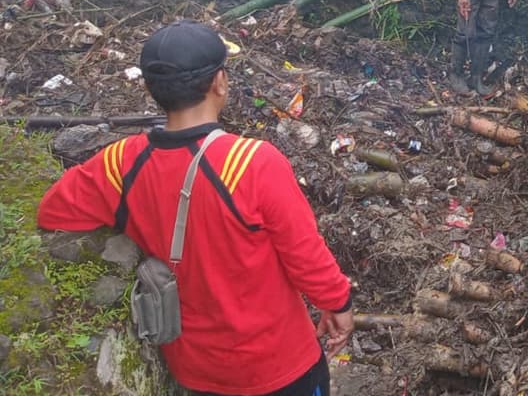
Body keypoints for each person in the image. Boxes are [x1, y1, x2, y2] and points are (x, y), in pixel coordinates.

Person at [38, 20, 353, 396]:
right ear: (220, 82)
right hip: (279, 366)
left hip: (194, 371)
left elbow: (53, 212)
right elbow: (306, 254)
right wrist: (338, 304)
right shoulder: (253, 163)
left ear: (150, 89)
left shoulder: (123, 162)